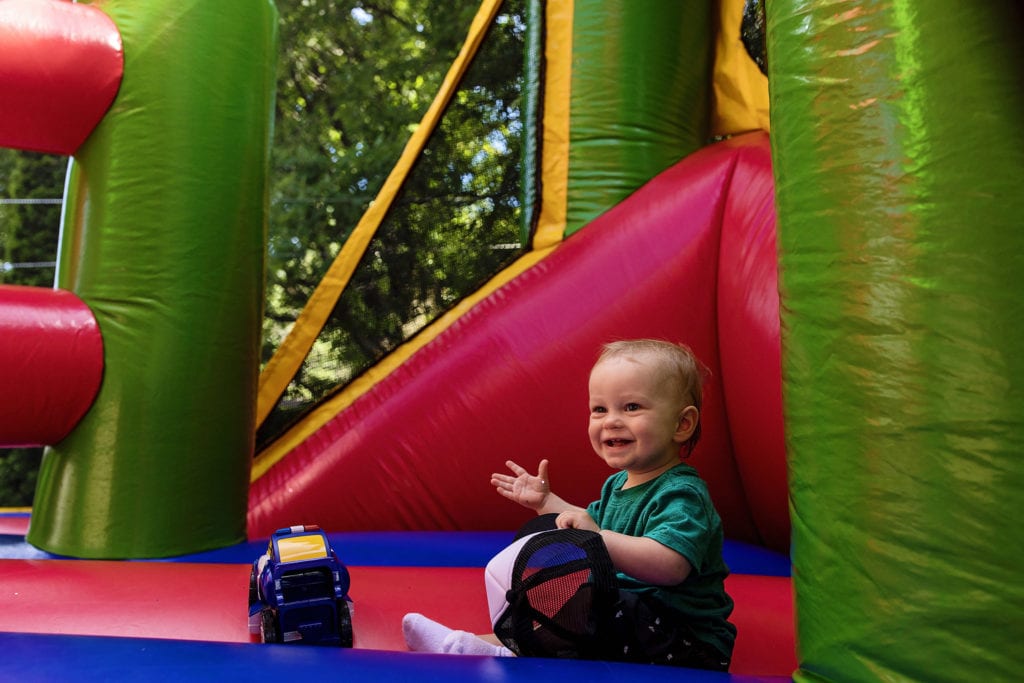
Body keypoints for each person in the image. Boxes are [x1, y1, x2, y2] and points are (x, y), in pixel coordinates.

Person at [403, 339, 736, 670]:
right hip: (634, 623)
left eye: (632, 407)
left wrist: (599, 538)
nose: (611, 421)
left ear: (682, 424)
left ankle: (499, 652)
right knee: (574, 597)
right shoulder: (618, 485)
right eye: (600, 409)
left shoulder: (682, 494)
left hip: (687, 643)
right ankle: (468, 645)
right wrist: (546, 502)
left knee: (601, 602)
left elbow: (671, 566)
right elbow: (588, 522)